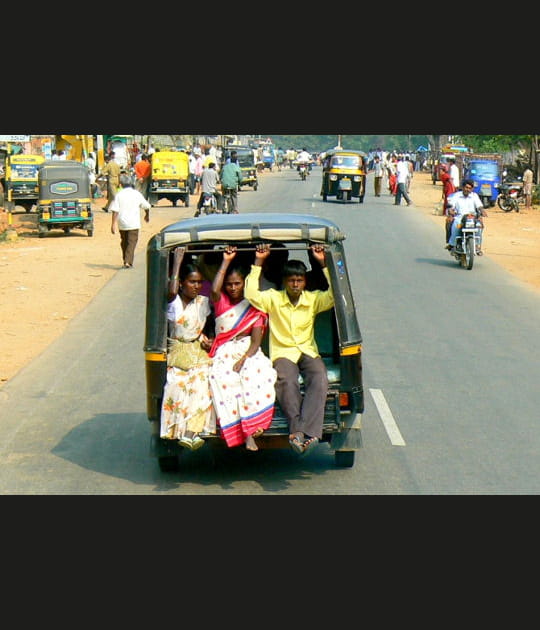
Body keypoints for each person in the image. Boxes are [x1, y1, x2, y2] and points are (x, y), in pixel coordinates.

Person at [244, 243, 334, 456]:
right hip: (283, 353)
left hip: (307, 351)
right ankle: (298, 432)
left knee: (320, 377)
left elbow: (334, 295)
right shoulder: (274, 298)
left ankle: (306, 432)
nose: (295, 284)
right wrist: (258, 261)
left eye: (299, 280)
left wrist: (322, 262)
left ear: (305, 282)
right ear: (284, 282)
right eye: (292, 280)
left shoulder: (313, 299)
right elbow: (251, 293)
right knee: (286, 381)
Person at [208, 246, 277, 451]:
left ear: (244, 283)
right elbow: (214, 290)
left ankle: (250, 431)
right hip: (225, 350)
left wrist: (244, 359)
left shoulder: (254, 307)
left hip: (248, 351)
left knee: (257, 376)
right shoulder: (221, 302)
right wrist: (226, 261)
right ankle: (240, 431)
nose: (232, 288)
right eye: (229, 285)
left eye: (237, 284)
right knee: (223, 379)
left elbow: (256, 342)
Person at [160, 247, 216, 451]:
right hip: (177, 352)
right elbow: (172, 290)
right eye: (192, 282)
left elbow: (209, 325)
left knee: (202, 384)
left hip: (198, 350)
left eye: (200, 282)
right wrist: (177, 262)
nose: (197, 286)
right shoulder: (174, 303)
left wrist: (209, 339)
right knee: (176, 386)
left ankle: (193, 432)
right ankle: (179, 432)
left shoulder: (203, 302)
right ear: (182, 282)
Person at [109, 173, 151, 268]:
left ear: (121, 184)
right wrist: (147, 215)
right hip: (134, 223)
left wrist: (113, 224)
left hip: (122, 223)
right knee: (131, 242)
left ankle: (126, 259)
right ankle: (128, 261)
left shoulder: (119, 195)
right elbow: (147, 206)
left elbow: (115, 210)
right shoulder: (136, 194)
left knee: (124, 242)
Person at [445, 178, 487, 254]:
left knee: (479, 226)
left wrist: (482, 211)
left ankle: (477, 246)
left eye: (470, 188)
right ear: (463, 187)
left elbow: (479, 206)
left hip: (472, 218)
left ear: (472, 189)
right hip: (460, 218)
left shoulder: (474, 196)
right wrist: (451, 210)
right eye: (466, 187)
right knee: (456, 225)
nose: (468, 190)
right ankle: (452, 244)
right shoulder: (456, 196)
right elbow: (451, 206)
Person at [439, 165, 457, 243]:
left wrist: (452, 188)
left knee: (448, 201)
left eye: (440, 170)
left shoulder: (445, 176)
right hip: (447, 188)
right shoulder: (443, 175)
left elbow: (450, 180)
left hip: (449, 188)